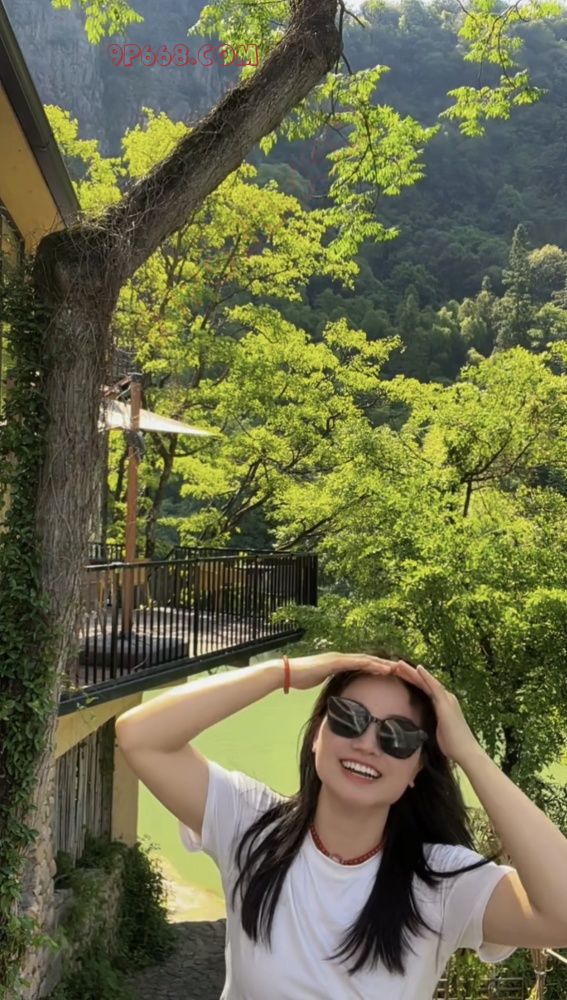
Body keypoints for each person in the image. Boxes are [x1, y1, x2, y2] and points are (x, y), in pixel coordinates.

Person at [115, 652, 567, 999]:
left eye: (397, 736)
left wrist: (468, 752)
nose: (368, 744)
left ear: (417, 769)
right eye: (348, 717)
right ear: (317, 734)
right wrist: (283, 672)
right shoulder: (252, 826)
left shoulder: (440, 884)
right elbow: (140, 737)